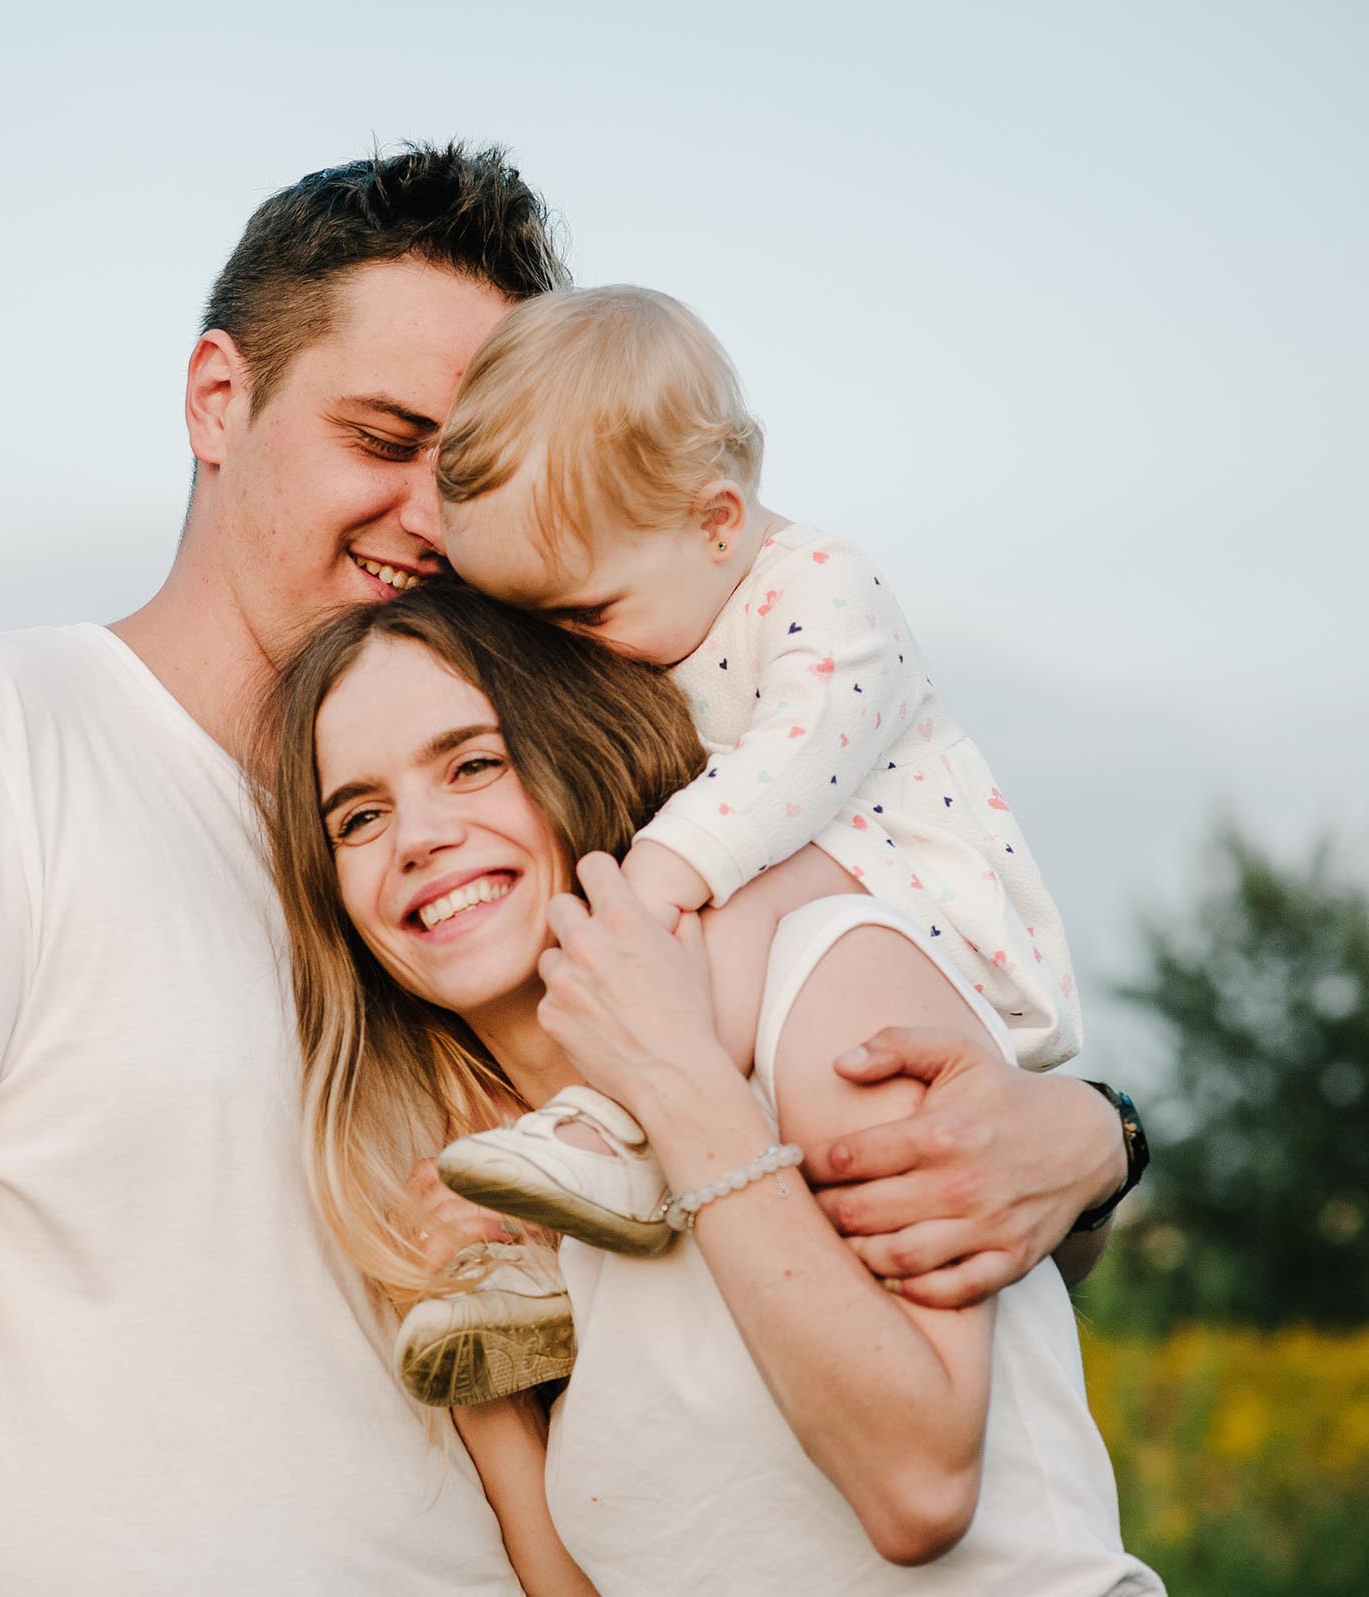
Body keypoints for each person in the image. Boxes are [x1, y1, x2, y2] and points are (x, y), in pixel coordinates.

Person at [0, 144, 1136, 1595]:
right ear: (220, 399)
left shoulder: (532, 869)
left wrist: (1088, 1139)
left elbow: (808, 1212)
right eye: (384, 439)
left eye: (469, 474)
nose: (433, 517)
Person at [262, 581, 1161, 1595]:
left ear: (578, 752)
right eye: (360, 816)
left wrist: (673, 1078)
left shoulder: (825, 976)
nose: (416, 836)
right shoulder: (516, 1188)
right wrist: (481, 1370)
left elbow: (918, 1487)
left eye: (473, 764)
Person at [430, 284, 1088, 1254]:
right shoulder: (668, 601)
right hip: (812, 935)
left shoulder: (823, 588)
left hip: (932, 917)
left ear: (716, 522)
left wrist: (661, 870)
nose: (574, 654)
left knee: (744, 881)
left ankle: (624, 1122)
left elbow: (798, 760)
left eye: (584, 617)